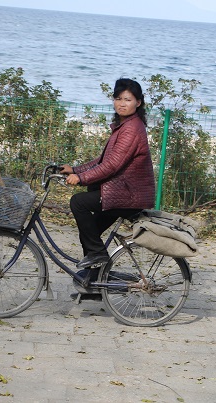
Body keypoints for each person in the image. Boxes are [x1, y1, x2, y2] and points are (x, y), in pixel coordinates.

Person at [60, 78, 156, 283]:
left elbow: (112, 165)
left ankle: (99, 261)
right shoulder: (125, 126)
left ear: (138, 102)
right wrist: (74, 169)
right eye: (118, 98)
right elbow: (103, 160)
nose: (122, 103)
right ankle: (96, 279)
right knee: (90, 232)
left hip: (129, 195)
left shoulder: (132, 129)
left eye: (128, 99)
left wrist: (81, 178)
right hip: (121, 192)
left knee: (78, 203)